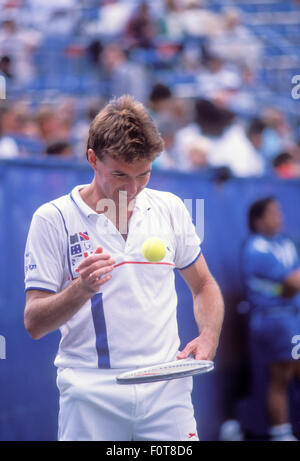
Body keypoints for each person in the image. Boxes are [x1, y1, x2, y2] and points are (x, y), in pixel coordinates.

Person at [24, 95, 224, 441]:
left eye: (143, 174)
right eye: (119, 174)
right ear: (92, 159)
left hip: (167, 389)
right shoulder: (51, 218)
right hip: (90, 394)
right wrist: (80, 289)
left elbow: (204, 285)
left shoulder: (171, 207)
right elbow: (34, 323)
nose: (132, 189)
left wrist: (208, 335)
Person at [242, 197, 300, 441]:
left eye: (279, 212)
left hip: (290, 319)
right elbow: (291, 284)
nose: (279, 218)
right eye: (273, 213)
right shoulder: (256, 249)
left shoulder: (285, 244)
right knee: (281, 375)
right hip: (274, 321)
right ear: (258, 220)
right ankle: (281, 434)